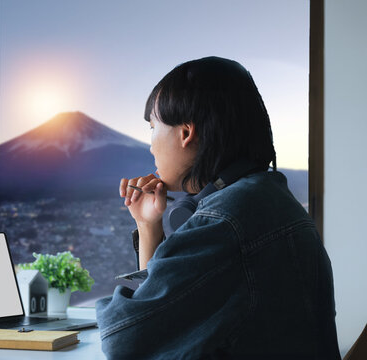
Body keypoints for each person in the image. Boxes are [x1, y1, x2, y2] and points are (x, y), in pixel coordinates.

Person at [95, 57, 341, 359]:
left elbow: (124, 339)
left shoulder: (226, 223)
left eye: (152, 127)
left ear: (185, 133)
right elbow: (156, 318)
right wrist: (149, 226)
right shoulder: (267, 197)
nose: (150, 145)